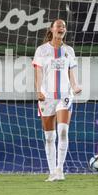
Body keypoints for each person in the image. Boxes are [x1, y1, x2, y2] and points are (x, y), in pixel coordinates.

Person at [32, 19, 82, 182]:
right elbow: (38, 72)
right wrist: (38, 90)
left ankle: (60, 169)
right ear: (52, 29)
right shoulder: (41, 50)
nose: (62, 28)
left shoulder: (69, 51)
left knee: (63, 131)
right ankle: (52, 171)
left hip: (65, 95)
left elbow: (71, 72)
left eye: (64, 27)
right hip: (46, 97)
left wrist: (75, 86)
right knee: (49, 137)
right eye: (59, 26)